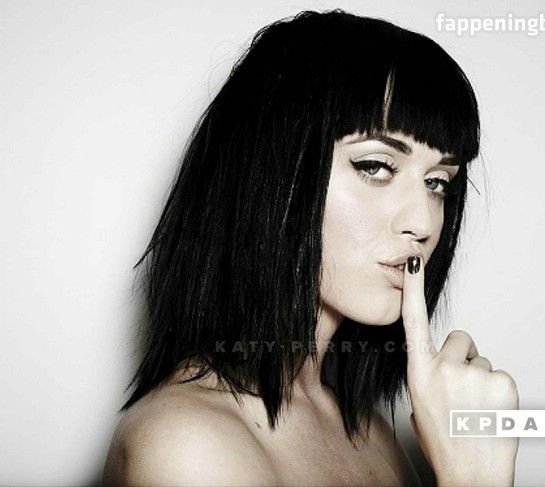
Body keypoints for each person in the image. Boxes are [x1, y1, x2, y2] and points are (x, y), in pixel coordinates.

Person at [102, 9, 519, 486]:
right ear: (275, 174)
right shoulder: (186, 444)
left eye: (437, 182)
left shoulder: (366, 429)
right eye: (376, 167)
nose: (423, 223)